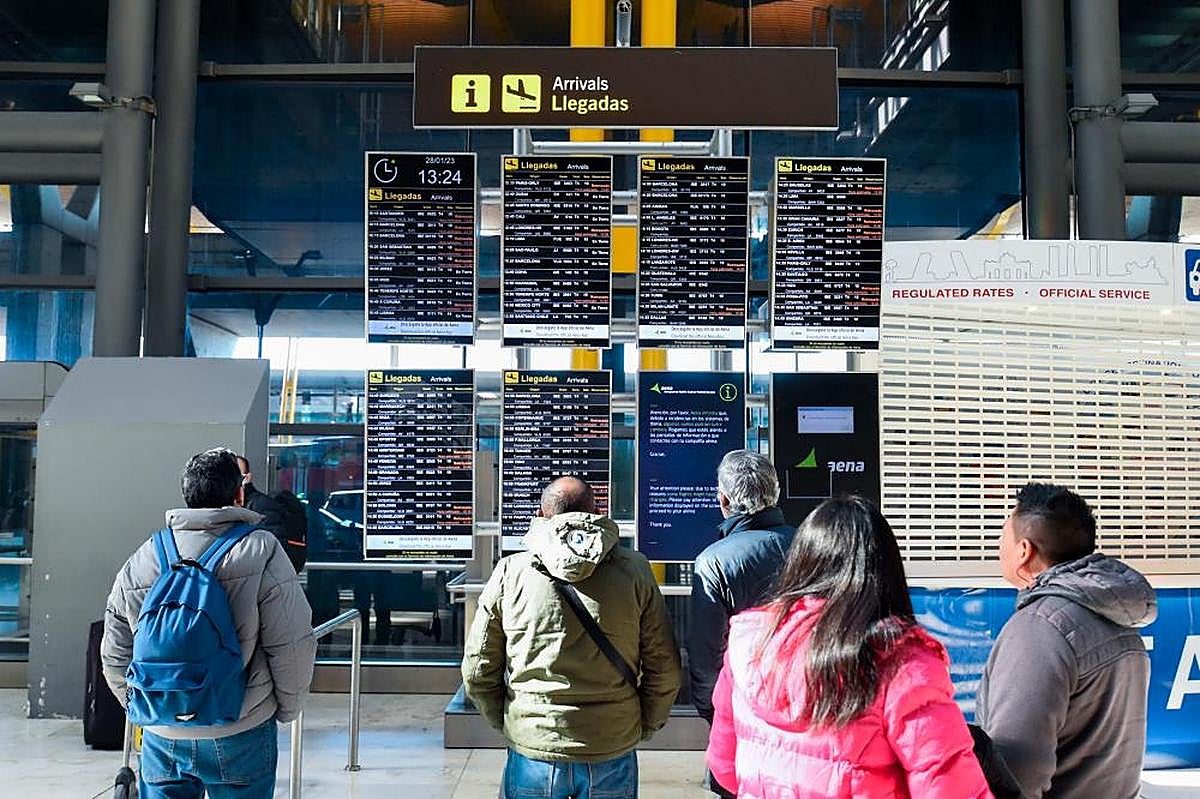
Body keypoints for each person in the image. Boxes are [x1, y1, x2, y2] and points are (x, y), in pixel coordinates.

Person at [706, 495, 992, 798]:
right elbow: (948, 788)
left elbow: (724, 767)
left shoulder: (750, 642)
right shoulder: (900, 662)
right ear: (885, 569)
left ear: (801, 561)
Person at [102, 448, 317, 798]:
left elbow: (114, 647)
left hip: (163, 730)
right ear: (238, 494)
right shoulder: (261, 550)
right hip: (241, 727)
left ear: (187, 494)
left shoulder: (147, 554)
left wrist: (140, 704)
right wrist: (286, 708)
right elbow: (292, 642)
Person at [462, 476, 681, 799]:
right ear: (597, 512)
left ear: (540, 515)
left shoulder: (511, 571)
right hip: (611, 742)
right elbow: (665, 669)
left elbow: (477, 669)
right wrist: (642, 724)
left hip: (535, 745)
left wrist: (513, 722)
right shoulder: (635, 570)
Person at [977, 483, 1157, 799]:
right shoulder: (1119, 618)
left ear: (1024, 551)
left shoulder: (1039, 629)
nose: (998, 546)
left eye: (1003, 537)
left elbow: (1017, 775)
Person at [689, 450, 794, 795]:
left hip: (741, 712)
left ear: (723, 499)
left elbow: (706, 654)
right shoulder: (812, 547)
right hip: (810, 708)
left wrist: (713, 712)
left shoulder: (714, 562)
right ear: (776, 493)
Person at [235, 455, 306, 573]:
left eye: (237, 476)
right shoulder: (237, 506)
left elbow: (275, 549)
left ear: (247, 478)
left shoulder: (262, 506)